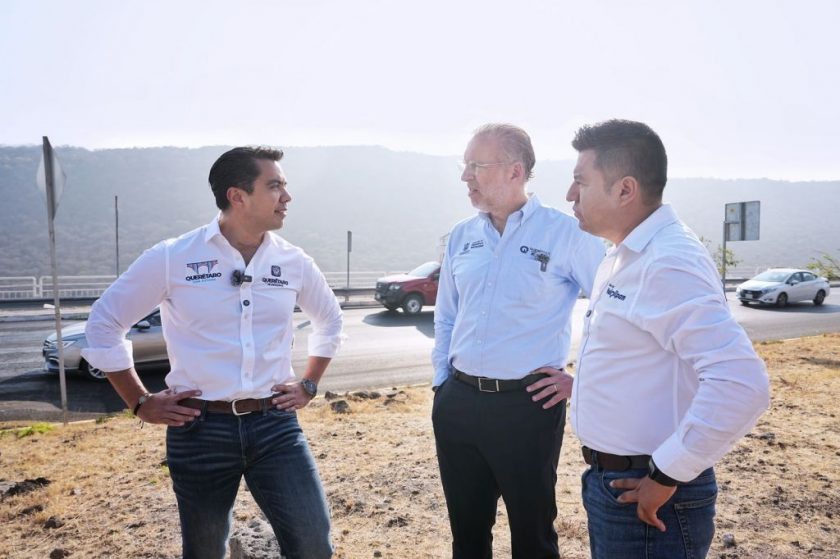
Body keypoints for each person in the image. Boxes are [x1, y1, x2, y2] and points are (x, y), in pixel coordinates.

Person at [82, 146, 342, 559]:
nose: (287, 197)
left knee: (313, 544)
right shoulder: (173, 257)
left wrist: (309, 384)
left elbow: (330, 319)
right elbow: (103, 324)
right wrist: (139, 402)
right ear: (238, 196)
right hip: (199, 429)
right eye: (275, 186)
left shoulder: (293, 261)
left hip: (275, 426)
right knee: (204, 551)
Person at [566, 119, 771, 558]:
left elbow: (740, 382)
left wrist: (666, 473)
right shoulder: (626, 253)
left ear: (625, 190)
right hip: (615, 484)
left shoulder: (666, 261)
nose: (570, 194)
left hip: (649, 493)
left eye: (580, 182)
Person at [431, 123, 604, 558]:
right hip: (458, 402)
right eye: (464, 165)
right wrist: (441, 383)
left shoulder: (567, 233)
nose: (465, 176)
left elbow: (610, 312)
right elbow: (446, 315)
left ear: (515, 170)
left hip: (528, 406)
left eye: (476, 165)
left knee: (533, 536)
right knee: (467, 536)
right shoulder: (462, 235)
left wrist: (580, 380)